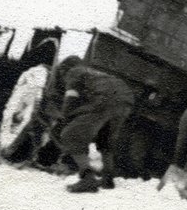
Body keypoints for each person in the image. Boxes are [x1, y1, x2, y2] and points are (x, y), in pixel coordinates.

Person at [54, 56, 135, 193]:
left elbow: (70, 99)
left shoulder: (74, 72)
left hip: (105, 98)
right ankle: (108, 178)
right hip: (126, 100)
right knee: (105, 139)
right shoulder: (94, 73)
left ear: (65, 68)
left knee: (70, 135)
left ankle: (88, 179)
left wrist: (65, 120)